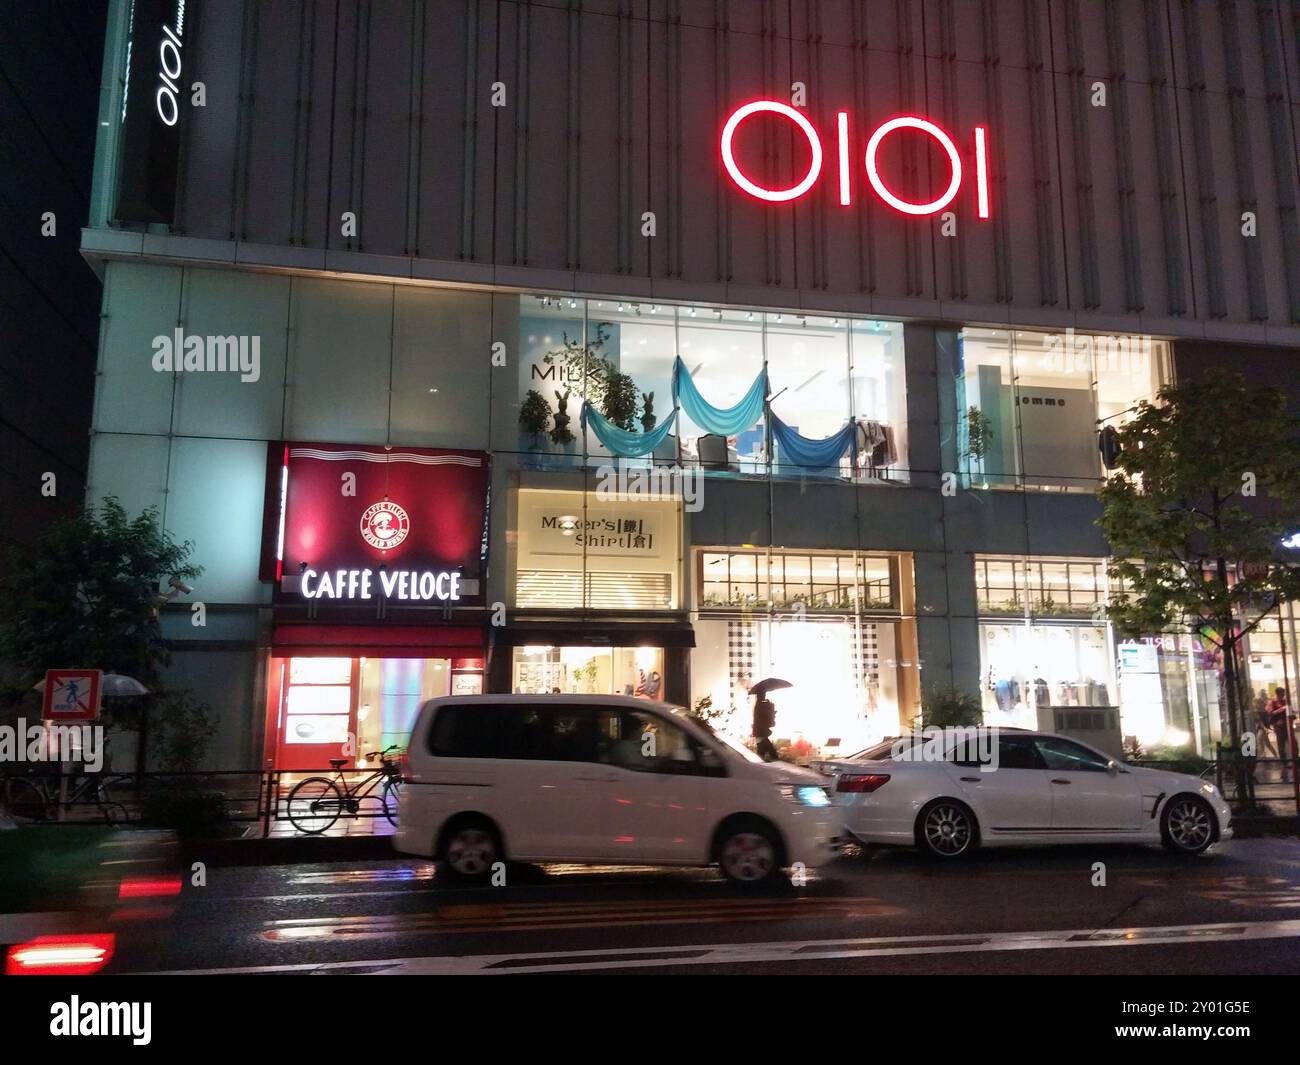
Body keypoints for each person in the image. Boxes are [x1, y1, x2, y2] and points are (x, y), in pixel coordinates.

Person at [1267, 686, 1292, 782]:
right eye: (1282, 694)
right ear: (1278, 694)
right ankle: (1284, 762)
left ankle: (1294, 761)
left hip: (1286, 724)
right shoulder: (1272, 701)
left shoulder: (1284, 701)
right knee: (1281, 744)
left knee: (1292, 743)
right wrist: (1281, 709)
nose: (1283, 695)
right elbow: (1270, 712)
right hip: (1279, 725)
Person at [752, 694, 778, 763]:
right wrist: (771, 712)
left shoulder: (759, 705)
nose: (764, 695)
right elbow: (766, 720)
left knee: (762, 753)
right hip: (762, 733)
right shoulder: (761, 706)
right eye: (763, 694)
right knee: (771, 753)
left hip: (760, 734)